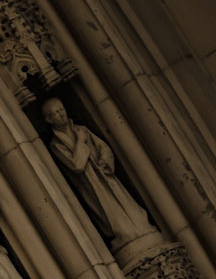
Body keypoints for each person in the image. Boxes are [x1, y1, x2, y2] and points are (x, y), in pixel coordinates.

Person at [40, 99, 153, 249]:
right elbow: (77, 165)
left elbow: (103, 148)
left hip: (105, 175)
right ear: (49, 119)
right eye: (56, 112)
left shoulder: (82, 130)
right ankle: (123, 234)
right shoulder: (57, 144)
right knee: (111, 216)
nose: (61, 114)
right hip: (91, 185)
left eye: (62, 109)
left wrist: (105, 161)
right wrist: (80, 142)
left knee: (130, 209)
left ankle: (140, 226)